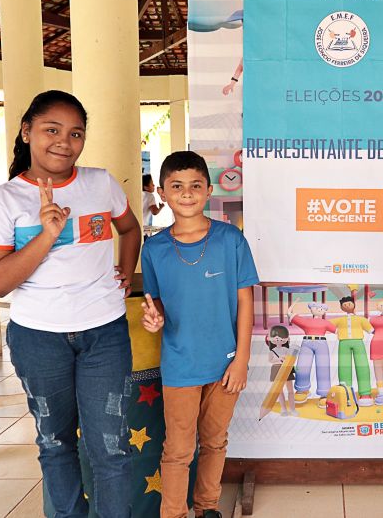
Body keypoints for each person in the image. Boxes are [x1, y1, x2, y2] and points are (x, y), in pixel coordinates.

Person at [0, 90, 141, 518]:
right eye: (52, 130)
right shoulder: (4, 200)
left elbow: (130, 229)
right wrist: (47, 235)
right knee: (55, 443)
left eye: (75, 133)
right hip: (38, 339)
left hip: (104, 333)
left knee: (111, 447)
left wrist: (125, 271)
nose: (64, 142)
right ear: (27, 131)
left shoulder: (100, 183)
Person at [139, 150, 258, 518]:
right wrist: (154, 319)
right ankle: (173, 513)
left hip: (225, 364)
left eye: (195, 185)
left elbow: (245, 300)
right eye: (177, 186)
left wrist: (241, 359)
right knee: (178, 449)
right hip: (180, 365)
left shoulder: (230, 239)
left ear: (208, 190)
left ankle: (207, 507)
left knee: (215, 441)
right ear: (162, 193)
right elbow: (157, 304)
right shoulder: (154, 248)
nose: (187, 193)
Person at [287, 300, 335, 408]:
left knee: (323, 368)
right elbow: (290, 314)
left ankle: (324, 393)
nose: (319, 309)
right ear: (311, 309)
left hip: (321, 344)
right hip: (307, 343)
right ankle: (302, 389)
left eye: (321, 308)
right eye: (316, 307)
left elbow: (338, 330)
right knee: (302, 366)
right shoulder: (306, 321)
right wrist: (294, 304)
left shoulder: (326, 323)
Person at [329, 296, 375, 407]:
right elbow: (326, 324)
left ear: (354, 305)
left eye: (349, 304)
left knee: (362, 366)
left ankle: (365, 393)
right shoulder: (339, 320)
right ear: (341, 307)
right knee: (344, 367)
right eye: (344, 305)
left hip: (358, 343)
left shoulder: (361, 319)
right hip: (343, 343)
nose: (347, 306)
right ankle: (346, 393)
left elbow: (372, 330)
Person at [265, 324, 298, 416]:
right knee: (279, 391)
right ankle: (283, 409)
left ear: (287, 339)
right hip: (276, 369)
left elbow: (291, 358)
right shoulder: (272, 351)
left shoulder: (286, 349)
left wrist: (287, 358)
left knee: (290, 390)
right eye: (276, 338)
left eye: (282, 338)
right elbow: (270, 360)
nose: (279, 340)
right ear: (270, 338)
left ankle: (292, 409)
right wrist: (279, 359)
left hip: (286, 369)